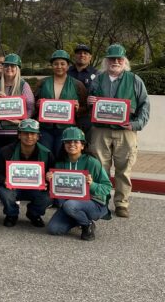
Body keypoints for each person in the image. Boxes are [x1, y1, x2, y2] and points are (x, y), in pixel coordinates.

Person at [87, 43, 150, 218]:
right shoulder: (98, 79)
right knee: (100, 168)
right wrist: (90, 101)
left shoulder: (134, 79)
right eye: (112, 59)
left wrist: (136, 124)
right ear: (106, 61)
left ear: (124, 61)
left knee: (124, 169)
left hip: (126, 131)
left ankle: (122, 203)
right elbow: (91, 102)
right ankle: (101, 201)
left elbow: (145, 104)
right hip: (101, 131)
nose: (115, 61)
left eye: (119, 59)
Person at [47, 127, 112, 240]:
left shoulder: (93, 162)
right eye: (68, 142)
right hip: (69, 203)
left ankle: (87, 224)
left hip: (94, 204)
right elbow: (57, 192)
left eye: (76, 142)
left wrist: (92, 184)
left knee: (70, 205)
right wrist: (50, 181)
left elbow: (107, 187)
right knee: (54, 229)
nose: (72, 144)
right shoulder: (59, 164)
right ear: (63, 145)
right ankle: (78, 219)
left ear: (82, 145)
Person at [0, 119, 53, 228]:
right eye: (25, 133)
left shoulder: (47, 153)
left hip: (36, 189)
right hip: (14, 188)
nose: (29, 137)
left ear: (38, 136)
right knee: (4, 191)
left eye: (33, 134)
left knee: (49, 195)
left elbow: (52, 174)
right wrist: (4, 180)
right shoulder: (6, 151)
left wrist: (48, 181)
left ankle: (34, 214)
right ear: (19, 135)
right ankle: (12, 215)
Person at [35, 50, 87, 154]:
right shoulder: (42, 83)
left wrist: (77, 109)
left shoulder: (77, 85)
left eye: (62, 64)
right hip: (45, 128)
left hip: (67, 128)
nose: (59, 66)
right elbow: (33, 104)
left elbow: (86, 107)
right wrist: (37, 105)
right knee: (45, 154)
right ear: (52, 66)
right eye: (56, 64)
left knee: (61, 155)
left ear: (68, 66)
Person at [0, 53, 34, 157]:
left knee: (13, 160)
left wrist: (22, 122)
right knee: (0, 161)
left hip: (14, 132)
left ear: (17, 69)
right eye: (6, 66)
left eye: (12, 66)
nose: (9, 68)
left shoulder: (23, 85)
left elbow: (30, 107)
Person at [68, 44, 99, 137]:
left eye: (85, 53)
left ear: (90, 57)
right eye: (79, 53)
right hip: (67, 114)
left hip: (88, 116)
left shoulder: (97, 74)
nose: (82, 55)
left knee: (87, 141)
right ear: (74, 56)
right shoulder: (66, 72)